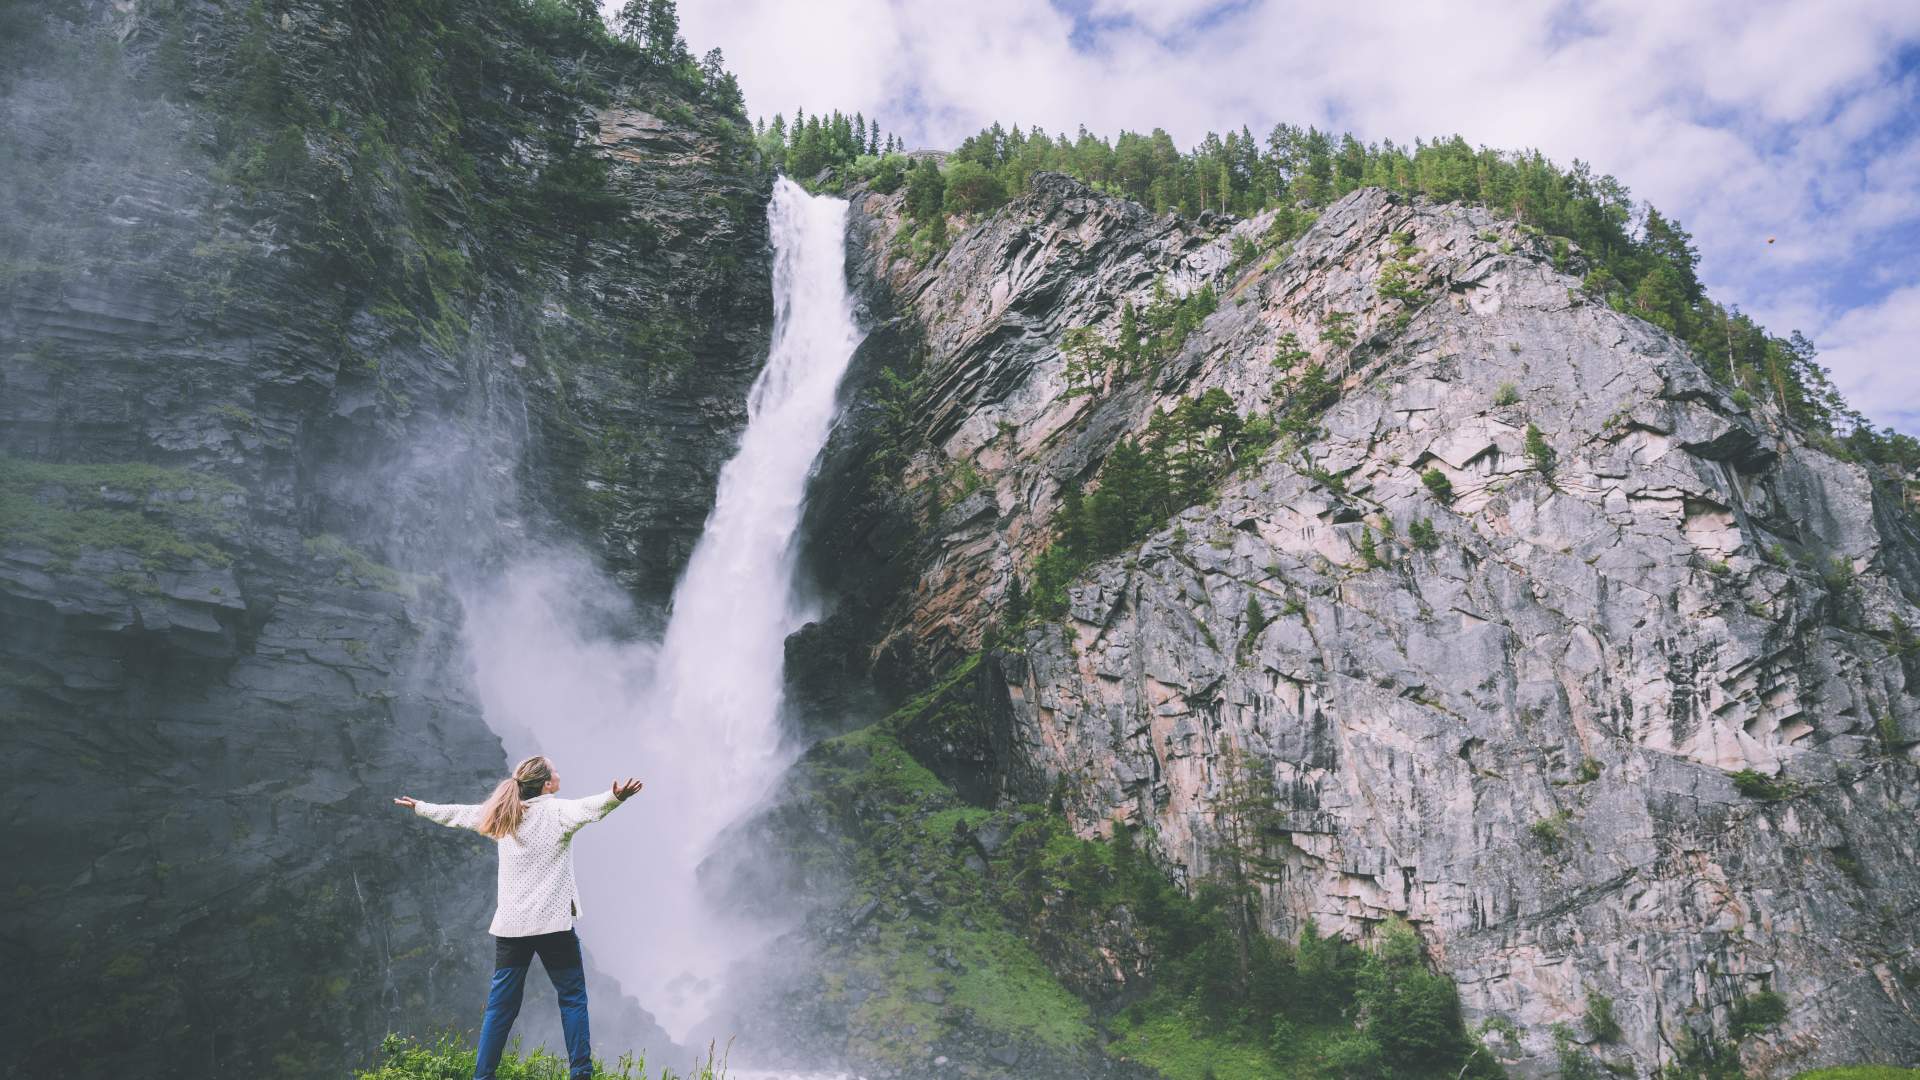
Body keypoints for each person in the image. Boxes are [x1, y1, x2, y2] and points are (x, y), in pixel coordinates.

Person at [396, 755, 642, 1080]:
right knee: (572, 998)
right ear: (545, 784)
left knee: (500, 1008)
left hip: (512, 929)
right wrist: (616, 797)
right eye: (554, 770)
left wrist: (421, 807)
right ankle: (581, 1074)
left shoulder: (502, 816)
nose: (559, 773)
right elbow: (590, 808)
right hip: (553, 926)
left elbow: (460, 814)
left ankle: (483, 1077)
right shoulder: (556, 812)